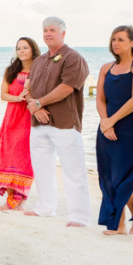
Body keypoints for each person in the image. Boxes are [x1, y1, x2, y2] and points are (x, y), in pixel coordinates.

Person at [22, 16, 92, 227]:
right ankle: (45, 207)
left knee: (73, 170)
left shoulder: (73, 57)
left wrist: (39, 103)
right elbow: (28, 89)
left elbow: (67, 88)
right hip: (39, 122)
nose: (47, 33)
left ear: (63, 33)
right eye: (45, 30)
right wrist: (36, 106)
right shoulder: (40, 60)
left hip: (64, 122)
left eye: (52, 30)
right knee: (42, 167)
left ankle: (79, 216)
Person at [95, 26, 133, 235]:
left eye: (120, 39)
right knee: (108, 173)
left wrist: (112, 121)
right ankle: (118, 224)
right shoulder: (105, 68)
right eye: (113, 40)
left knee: (126, 174)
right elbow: (100, 99)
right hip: (107, 122)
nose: (115, 43)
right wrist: (104, 121)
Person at [0, 37, 41, 211]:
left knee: (23, 157)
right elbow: (3, 94)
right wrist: (18, 97)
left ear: (33, 49)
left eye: (25, 47)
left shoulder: (39, 70)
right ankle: (12, 197)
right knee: (9, 156)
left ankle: (20, 198)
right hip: (12, 117)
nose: (22, 51)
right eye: (19, 48)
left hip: (28, 118)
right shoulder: (11, 70)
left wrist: (29, 93)